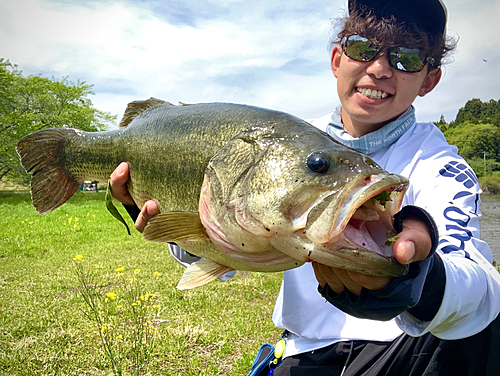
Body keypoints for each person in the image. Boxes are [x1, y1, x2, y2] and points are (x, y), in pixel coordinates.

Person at [110, 0, 500, 374]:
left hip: (409, 353)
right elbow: (220, 257)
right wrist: (172, 229)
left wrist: (420, 282)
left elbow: (480, 286)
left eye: (407, 57)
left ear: (430, 79)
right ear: (337, 60)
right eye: (363, 48)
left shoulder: (443, 166)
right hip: (307, 353)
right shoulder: (286, 139)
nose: (379, 68)